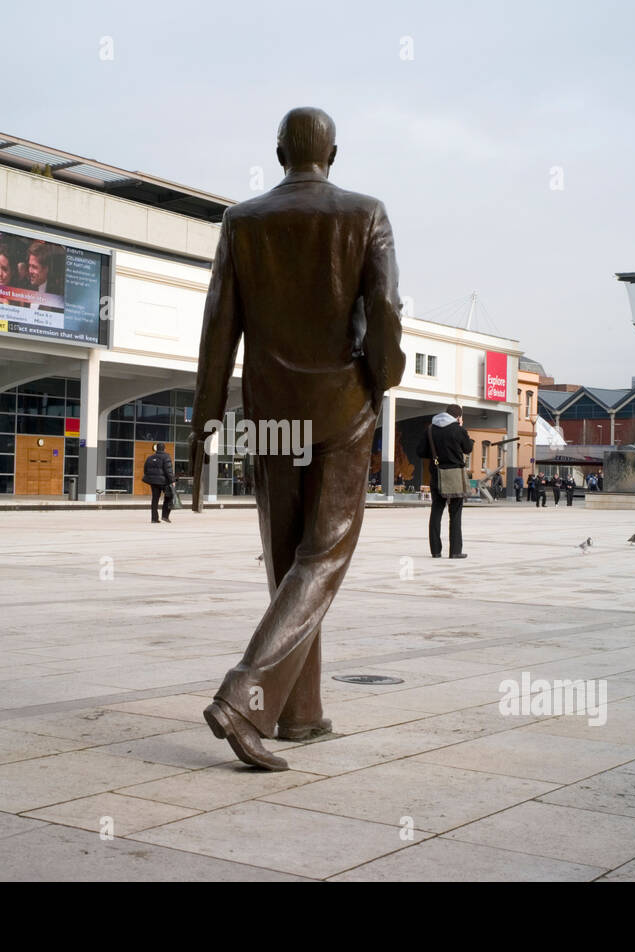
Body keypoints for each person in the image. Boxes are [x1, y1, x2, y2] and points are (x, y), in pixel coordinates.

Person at [190, 107, 406, 771]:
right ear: (332, 153)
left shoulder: (241, 221)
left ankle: (301, 712)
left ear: (279, 151)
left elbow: (218, 326)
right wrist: (382, 377)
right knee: (322, 558)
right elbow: (388, 311)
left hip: (271, 413)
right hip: (341, 409)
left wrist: (206, 418)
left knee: (290, 563)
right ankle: (245, 696)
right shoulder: (365, 212)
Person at [418, 404, 474, 559]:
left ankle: (435, 551)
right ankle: (455, 551)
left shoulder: (430, 429)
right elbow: (468, 448)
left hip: (436, 473)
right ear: (458, 417)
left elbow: (421, 451)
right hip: (454, 474)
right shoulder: (458, 429)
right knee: (455, 513)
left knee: (436, 511)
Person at [142, 442, 176, 523]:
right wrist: (172, 481)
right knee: (169, 497)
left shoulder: (150, 457)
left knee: (155, 499)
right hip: (164, 482)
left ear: (156, 449)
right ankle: (165, 516)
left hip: (153, 482)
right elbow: (169, 471)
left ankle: (154, 518)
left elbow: (145, 470)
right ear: (164, 449)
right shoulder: (166, 457)